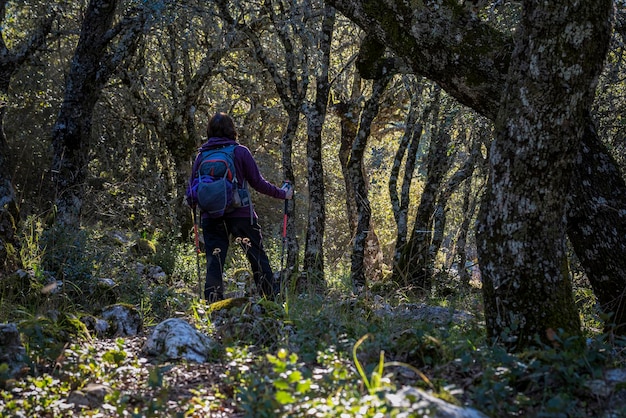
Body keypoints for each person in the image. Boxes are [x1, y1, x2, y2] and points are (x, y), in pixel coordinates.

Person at [186, 112, 293, 302]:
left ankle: (212, 306)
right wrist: (282, 193)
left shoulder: (201, 156)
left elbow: (191, 190)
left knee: (214, 262)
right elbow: (258, 183)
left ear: (209, 131)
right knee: (257, 258)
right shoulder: (240, 152)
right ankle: (271, 301)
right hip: (241, 214)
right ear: (231, 130)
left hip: (210, 216)